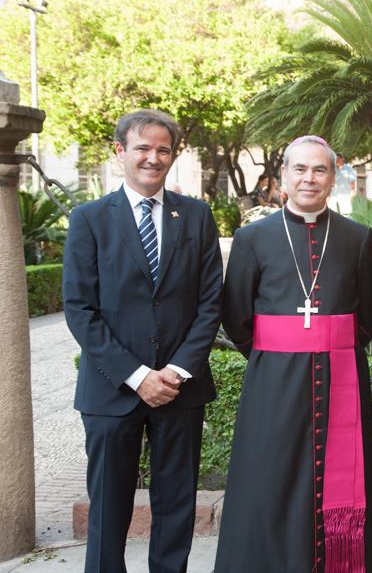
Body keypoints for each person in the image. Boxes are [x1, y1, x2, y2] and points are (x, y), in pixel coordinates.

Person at [214, 135, 372, 572]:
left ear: (333, 177)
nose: (309, 179)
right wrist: (281, 350)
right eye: (300, 169)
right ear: (283, 178)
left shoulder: (356, 238)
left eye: (320, 170)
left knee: (342, 480)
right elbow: (235, 314)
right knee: (269, 479)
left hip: (341, 378)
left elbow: (370, 310)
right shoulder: (253, 237)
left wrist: (329, 343)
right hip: (274, 382)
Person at [63, 109, 222, 573]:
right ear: (120, 153)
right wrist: (137, 376)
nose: (154, 158)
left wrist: (173, 371)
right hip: (111, 390)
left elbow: (210, 302)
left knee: (176, 502)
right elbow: (79, 309)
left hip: (181, 387)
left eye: (163, 150)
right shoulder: (89, 219)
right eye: (143, 148)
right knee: (108, 506)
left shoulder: (196, 215)